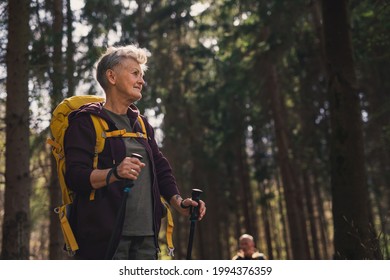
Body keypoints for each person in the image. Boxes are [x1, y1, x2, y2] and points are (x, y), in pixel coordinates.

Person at [64, 45, 206, 260]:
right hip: (104, 241)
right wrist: (114, 173)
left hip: (147, 238)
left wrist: (179, 202)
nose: (141, 81)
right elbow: (75, 177)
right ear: (111, 76)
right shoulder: (85, 123)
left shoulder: (141, 124)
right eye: (135, 73)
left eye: (142, 75)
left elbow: (159, 167)